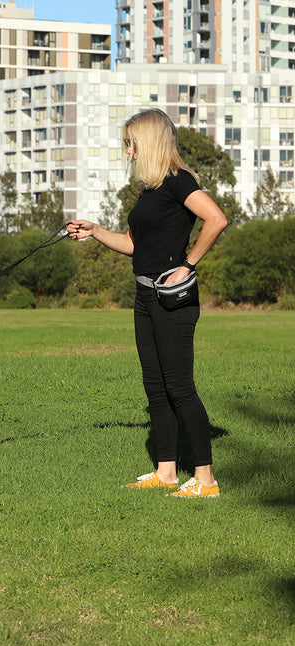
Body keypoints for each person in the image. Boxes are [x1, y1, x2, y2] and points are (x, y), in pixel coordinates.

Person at [67, 109, 228, 498]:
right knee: (155, 386)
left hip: (172, 300)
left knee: (180, 387)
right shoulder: (149, 191)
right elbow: (134, 245)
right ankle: (167, 472)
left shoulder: (179, 181)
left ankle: (206, 481)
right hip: (144, 297)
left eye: (131, 142)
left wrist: (187, 265)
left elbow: (217, 219)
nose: (128, 150)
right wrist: (97, 231)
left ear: (150, 141)